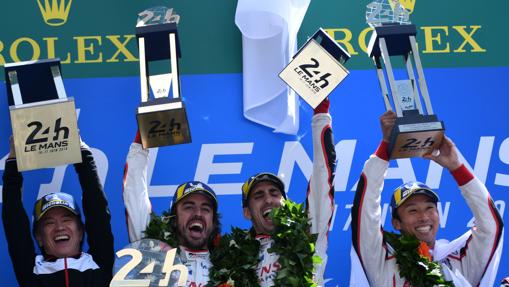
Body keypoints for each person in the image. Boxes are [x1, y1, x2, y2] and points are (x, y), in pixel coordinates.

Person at [351, 111, 504, 287]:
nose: (424, 217)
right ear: (396, 223)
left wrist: (456, 167)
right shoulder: (381, 262)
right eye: (413, 210)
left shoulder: (458, 264)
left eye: (429, 208)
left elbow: (491, 227)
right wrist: (385, 146)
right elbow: (366, 208)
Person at [213, 98, 336, 286]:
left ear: (286, 203)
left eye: (274, 193)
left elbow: (322, 177)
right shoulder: (233, 258)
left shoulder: (308, 235)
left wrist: (321, 113)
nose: (269, 200)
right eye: (258, 196)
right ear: (247, 212)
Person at [2, 137, 114, 287]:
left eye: (67, 219)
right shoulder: (32, 270)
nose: (59, 227)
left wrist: (81, 152)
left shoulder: (97, 263)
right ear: (39, 237)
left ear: (81, 232)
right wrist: (14, 159)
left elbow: (97, 210)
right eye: (49, 222)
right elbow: (13, 221)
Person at [123, 132, 221, 286]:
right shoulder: (152, 252)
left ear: (214, 222)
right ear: (173, 219)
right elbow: (135, 194)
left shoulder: (232, 267)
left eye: (206, 209)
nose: (198, 214)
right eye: (189, 207)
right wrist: (142, 139)